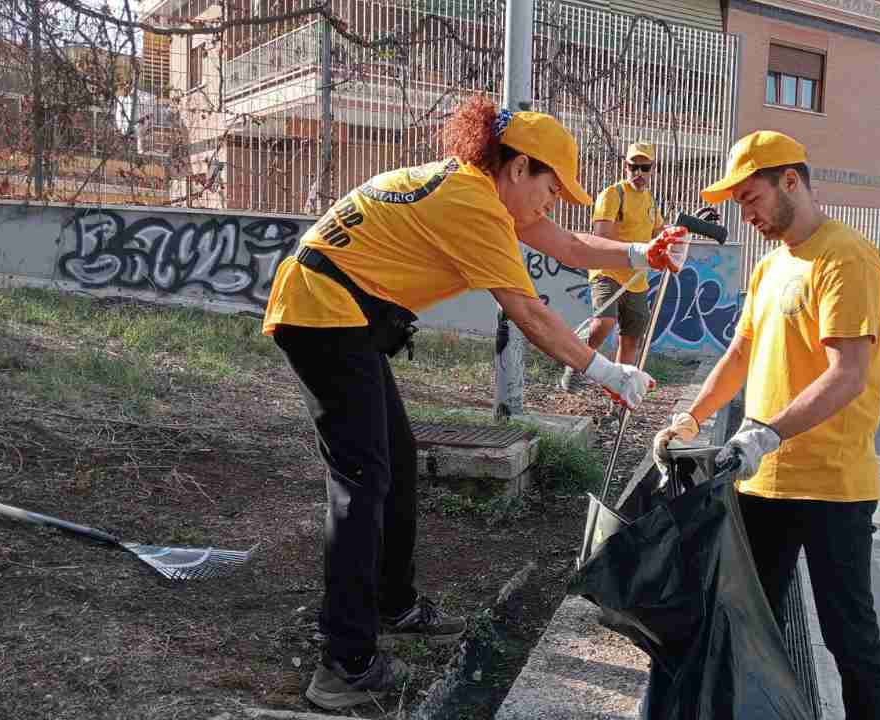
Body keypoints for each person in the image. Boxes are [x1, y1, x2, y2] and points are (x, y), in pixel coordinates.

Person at [263, 95, 685, 711]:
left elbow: (565, 245)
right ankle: (344, 664)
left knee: (395, 464)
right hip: (322, 313)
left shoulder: (478, 191)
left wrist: (636, 254)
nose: (551, 202)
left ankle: (393, 603)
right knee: (361, 479)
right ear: (518, 168)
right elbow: (530, 314)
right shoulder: (474, 206)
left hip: (340, 311)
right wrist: (606, 372)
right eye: (549, 186)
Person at [652, 130, 880, 719]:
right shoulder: (768, 267)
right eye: (740, 204)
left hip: (832, 485)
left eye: (752, 198)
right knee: (751, 626)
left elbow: (848, 374)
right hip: (761, 482)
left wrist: (765, 433)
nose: (747, 214)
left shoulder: (846, 258)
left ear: (791, 181)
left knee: (848, 637)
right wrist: (691, 417)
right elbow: (739, 356)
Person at [559, 141, 665, 392]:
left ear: (653, 169)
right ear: (625, 166)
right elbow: (601, 237)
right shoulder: (613, 195)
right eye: (633, 167)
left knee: (630, 339)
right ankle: (575, 361)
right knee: (604, 323)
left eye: (645, 167)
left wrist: (675, 237)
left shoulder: (650, 200)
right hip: (607, 271)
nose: (639, 173)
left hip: (637, 279)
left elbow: (659, 232)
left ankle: (618, 397)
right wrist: (637, 252)